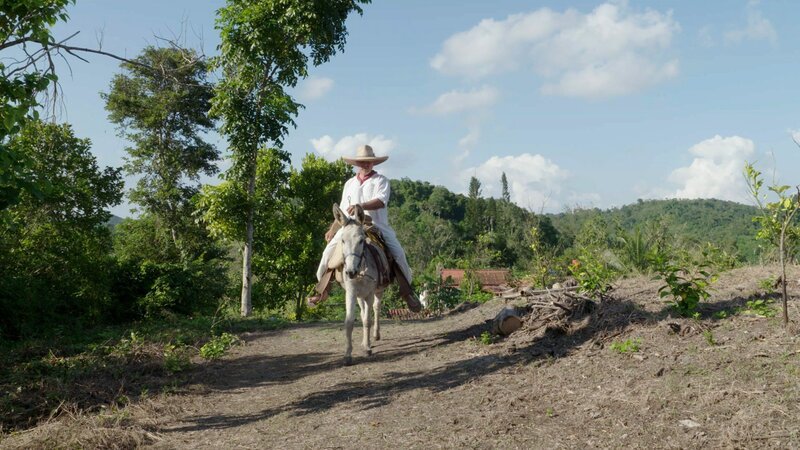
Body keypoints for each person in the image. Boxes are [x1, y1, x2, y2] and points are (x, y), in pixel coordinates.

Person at [308, 144, 422, 312]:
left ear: (373, 163)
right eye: (362, 162)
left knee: (398, 254)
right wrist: (332, 229)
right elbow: (342, 209)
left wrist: (360, 206)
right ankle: (322, 290)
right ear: (357, 163)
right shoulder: (349, 183)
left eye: (368, 162)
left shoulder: (381, 181)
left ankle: (407, 292)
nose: (365, 164)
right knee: (327, 254)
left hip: (376, 226)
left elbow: (381, 201)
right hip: (349, 227)